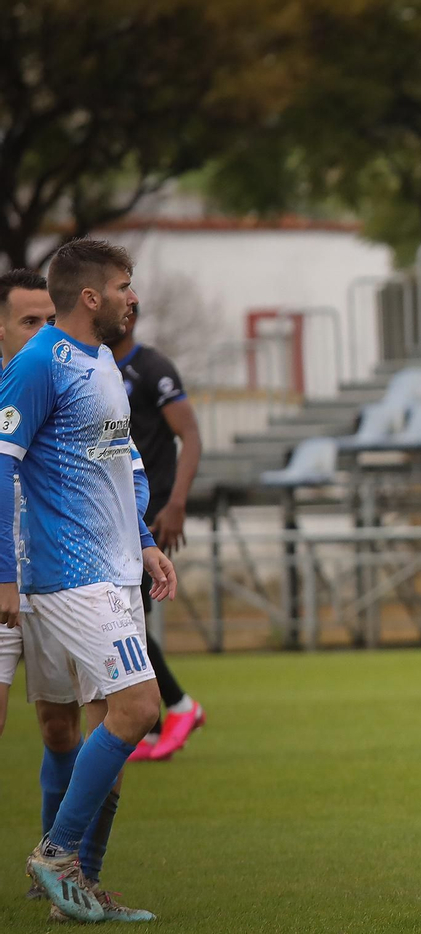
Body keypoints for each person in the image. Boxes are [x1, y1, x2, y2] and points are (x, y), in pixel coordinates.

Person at [0, 239, 177, 923]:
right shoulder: (40, 362)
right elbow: (3, 465)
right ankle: (57, 854)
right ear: (92, 296)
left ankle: (76, 889)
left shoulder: (102, 362)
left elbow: (123, 464)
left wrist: (143, 542)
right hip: (69, 576)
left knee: (104, 724)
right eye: (126, 286)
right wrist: (5, 575)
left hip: (114, 571)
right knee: (136, 710)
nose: (136, 298)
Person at [110, 301, 207, 761]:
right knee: (129, 614)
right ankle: (152, 727)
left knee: (128, 616)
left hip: (152, 513)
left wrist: (177, 503)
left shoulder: (151, 368)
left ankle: (180, 705)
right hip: (117, 512)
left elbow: (190, 435)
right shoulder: (94, 368)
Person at [0, 269, 56, 735]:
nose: (42, 333)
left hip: (57, 580)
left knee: (59, 727)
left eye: (51, 321)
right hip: (2, 581)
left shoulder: (79, 385)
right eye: (29, 322)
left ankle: (62, 814)